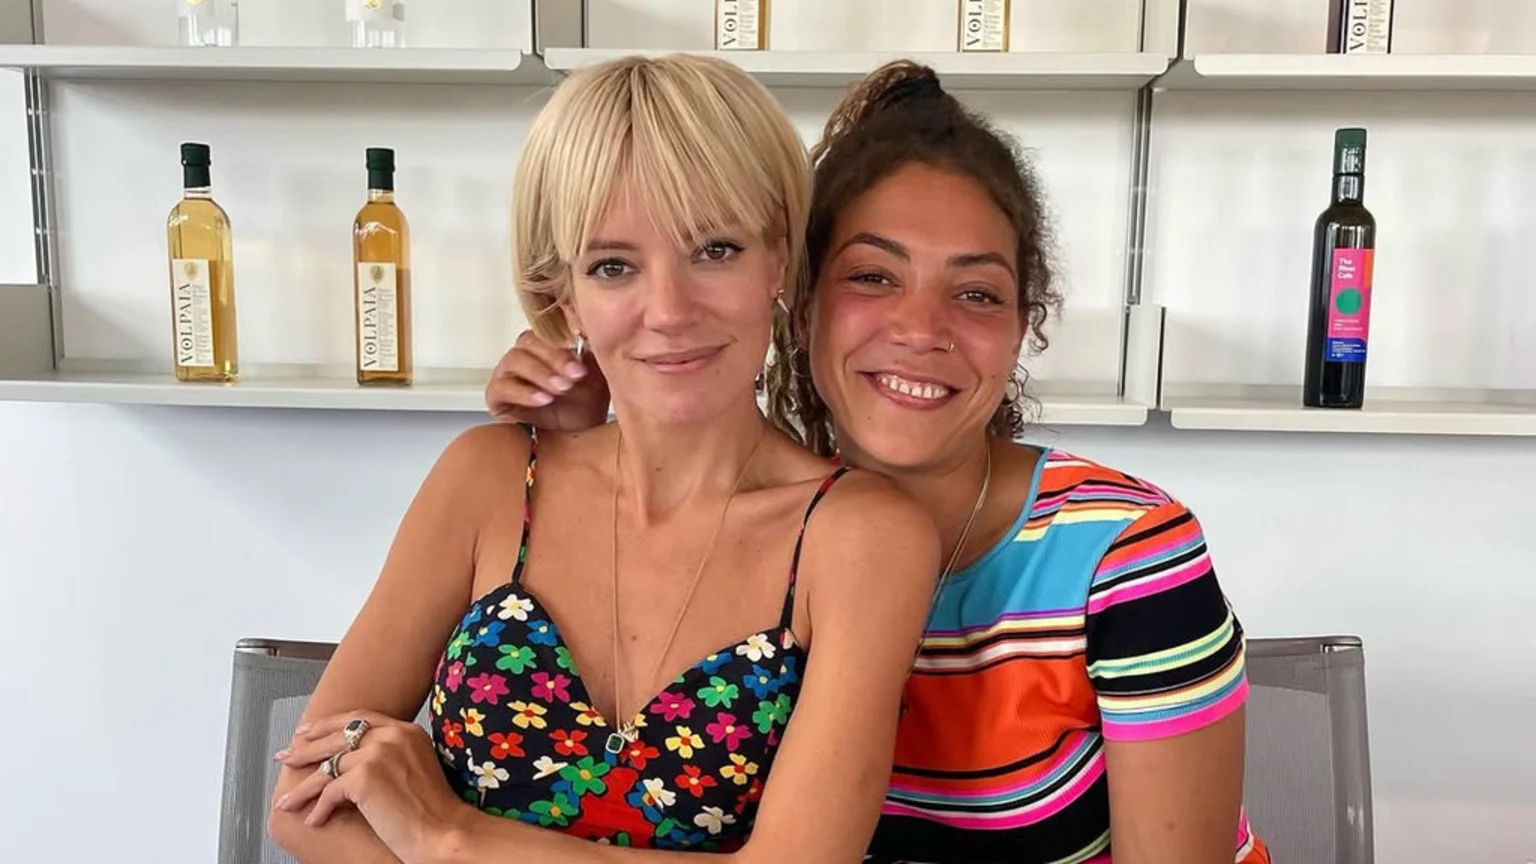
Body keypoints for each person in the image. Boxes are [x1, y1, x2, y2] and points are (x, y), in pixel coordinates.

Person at [484, 60, 1271, 864]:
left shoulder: (1128, 555)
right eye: (872, 276)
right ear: (799, 298)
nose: (921, 328)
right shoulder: (764, 539)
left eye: (976, 294)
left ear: (1020, 327)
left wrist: (447, 839)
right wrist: (591, 440)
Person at [266, 53, 940, 864]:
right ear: (563, 293)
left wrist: (447, 837)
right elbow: (305, 806)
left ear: (779, 259)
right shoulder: (488, 479)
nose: (669, 310)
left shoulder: (864, 538)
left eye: (714, 249)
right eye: (613, 265)